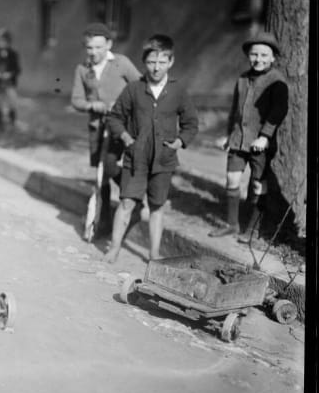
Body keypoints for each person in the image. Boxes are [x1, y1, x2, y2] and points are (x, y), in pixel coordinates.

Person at [103, 35, 199, 262]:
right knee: (126, 201)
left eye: (162, 62)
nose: (156, 68)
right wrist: (126, 137)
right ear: (144, 63)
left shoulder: (178, 91)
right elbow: (115, 117)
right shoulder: (134, 89)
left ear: (171, 62)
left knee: (157, 206)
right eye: (151, 62)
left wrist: (179, 142)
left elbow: (191, 122)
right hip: (135, 158)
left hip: (163, 160)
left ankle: (154, 252)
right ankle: (114, 248)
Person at [208, 32, 288, 244]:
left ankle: (252, 230)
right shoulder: (243, 79)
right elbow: (235, 110)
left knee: (257, 185)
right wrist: (228, 135)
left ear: (273, 58)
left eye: (264, 55)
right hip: (237, 141)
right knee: (232, 180)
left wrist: (264, 137)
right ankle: (232, 224)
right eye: (254, 54)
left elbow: (278, 111)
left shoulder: (276, 81)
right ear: (248, 56)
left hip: (259, 144)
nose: (258, 59)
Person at [70, 22, 142, 236]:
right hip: (98, 128)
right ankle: (103, 222)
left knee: (110, 167)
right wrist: (93, 105)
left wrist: (122, 106)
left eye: (98, 47)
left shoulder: (121, 63)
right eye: (89, 48)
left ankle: (133, 202)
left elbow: (140, 88)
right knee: (102, 176)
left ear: (109, 44)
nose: (93, 52)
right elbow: (76, 99)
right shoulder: (83, 69)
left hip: (122, 128)